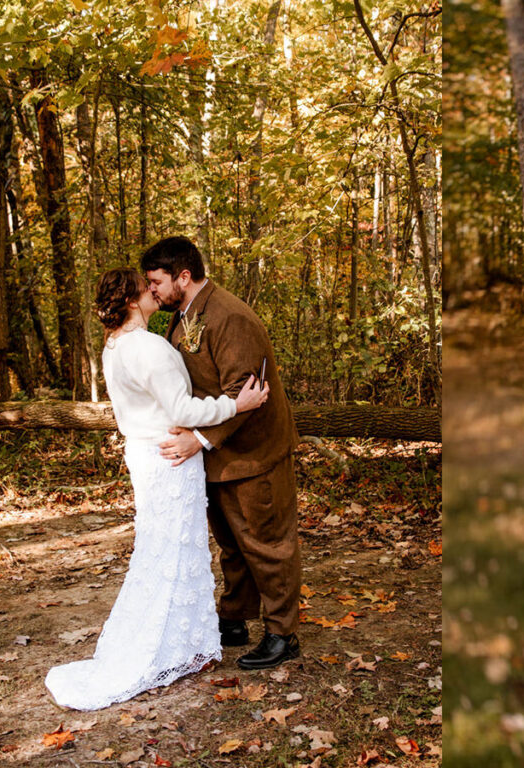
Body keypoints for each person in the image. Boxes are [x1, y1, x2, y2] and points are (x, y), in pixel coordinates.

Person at [45, 268, 269, 710]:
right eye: (144, 289)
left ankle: (183, 643)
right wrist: (237, 403)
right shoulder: (147, 347)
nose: (153, 292)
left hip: (146, 454)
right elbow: (182, 407)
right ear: (131, 300)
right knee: (172, 549)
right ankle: (164, 647)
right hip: (171, 457)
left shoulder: (115, 345)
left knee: (166, 548)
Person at [141, 236, 302, 670]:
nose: (152, 290)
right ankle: (234, 618)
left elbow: (246, 394)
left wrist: (200, 439)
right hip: (219, 459)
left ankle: (283, 634)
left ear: (184, 276)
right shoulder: (182, 316)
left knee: (267, 544)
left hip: (254, 453)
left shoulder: (230, 317)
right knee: (232, 545)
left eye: (156, 281)